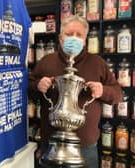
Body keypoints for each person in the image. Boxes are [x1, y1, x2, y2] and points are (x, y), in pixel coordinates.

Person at [28, 15, 122, 168]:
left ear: (85, 40)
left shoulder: (98, 63)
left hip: (85, 145)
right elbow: (28, 89)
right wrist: (37, 85)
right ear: (60, 37)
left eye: (79, 35)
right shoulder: (46, 61)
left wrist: (102, 90)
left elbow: (117, 94)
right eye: (69, 34)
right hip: (51, 142)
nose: (74, 38)